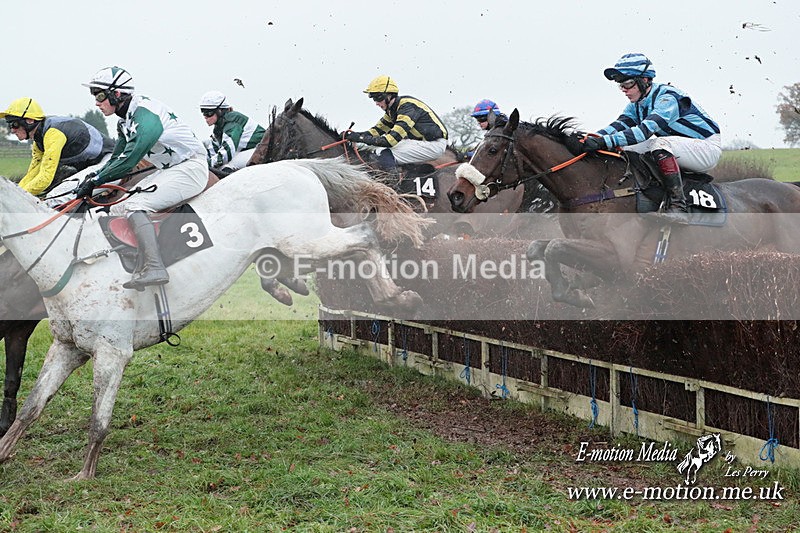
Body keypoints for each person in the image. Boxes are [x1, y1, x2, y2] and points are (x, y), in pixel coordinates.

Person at [74, 66, 208, 289]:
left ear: (117, 94)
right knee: (117, 209)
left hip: (191, 167)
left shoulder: (145, 116)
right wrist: (92, 180)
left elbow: (128, 161)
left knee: (134, 206)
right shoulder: (124, 121)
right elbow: (116, 159)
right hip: (172, 169)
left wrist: (95, 182)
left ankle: (155, 266)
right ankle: (134, 264)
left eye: (99, 95)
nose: (96, 102)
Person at [580, 53, 721, 223]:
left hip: (706, 148)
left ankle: (678, 206)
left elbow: (643, 132)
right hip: (678, 147)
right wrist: (589, 138)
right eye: (621, 85)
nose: (624, 89)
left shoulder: (668, 98)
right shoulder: (637, 105)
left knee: (658, 143)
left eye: (628, 83)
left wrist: (603, 141)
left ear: (645, 80)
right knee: (622, 149)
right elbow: (617, 127)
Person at [0, 97, 114, 197]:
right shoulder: (39, 141)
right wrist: (16, 192)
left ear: (30, 121)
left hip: (109, 160)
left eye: (14, 124)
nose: (12, 130)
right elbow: (33, 173)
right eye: (10, 125)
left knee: (57, 194)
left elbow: (45, 178)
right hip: (91, 165)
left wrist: (18, 197)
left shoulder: (53, 134)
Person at [344, 75, 448, 171]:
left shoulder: (407, 107)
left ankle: (392, 183)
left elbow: (390, 141)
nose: (376, 103)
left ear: (388, 96)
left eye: (377, 98)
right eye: (374, 99)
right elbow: (376, 131)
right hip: (422, 143)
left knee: (383, 152)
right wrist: (354, 135)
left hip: (434, 145)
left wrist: (361, 139)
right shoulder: (393, 109)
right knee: (377, 150)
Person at [199, 90, 266, 175]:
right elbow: (213, 149)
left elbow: (227, 152)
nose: (205, 117)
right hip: (246, 151)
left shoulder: (232, 121)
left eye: (208, 113)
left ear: (220, 111)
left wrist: (205, 164)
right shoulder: (219, 126)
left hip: (259, 150)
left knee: (226, 165)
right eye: (203, 112)